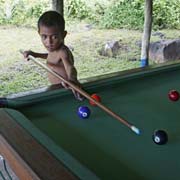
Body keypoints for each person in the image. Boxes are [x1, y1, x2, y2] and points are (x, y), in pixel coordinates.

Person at [21, 10, 83, 101]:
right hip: (55, 89)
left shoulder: (63, 52)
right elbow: (51, 57)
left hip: (65, 91)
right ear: (39, 33)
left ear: (63, 35)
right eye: (44, 37)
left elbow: (70, 67)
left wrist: (72, 80)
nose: (49, 42)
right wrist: (34, 54)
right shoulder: (54, 50)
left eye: (54, 37)